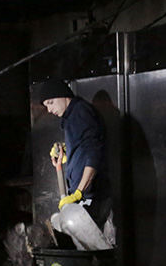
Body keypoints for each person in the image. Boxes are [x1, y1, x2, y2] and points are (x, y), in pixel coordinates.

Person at [35, 79, 112, 229]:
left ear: (64, 95)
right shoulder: (72, 116)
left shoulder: (80, 112)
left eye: (51, 102)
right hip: (85, 196)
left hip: (91, 196)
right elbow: (84, 144)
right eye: (46, 106)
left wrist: (78, 192)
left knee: (90, 248)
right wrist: (66, 150)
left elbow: (94, 154)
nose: (49, 110)